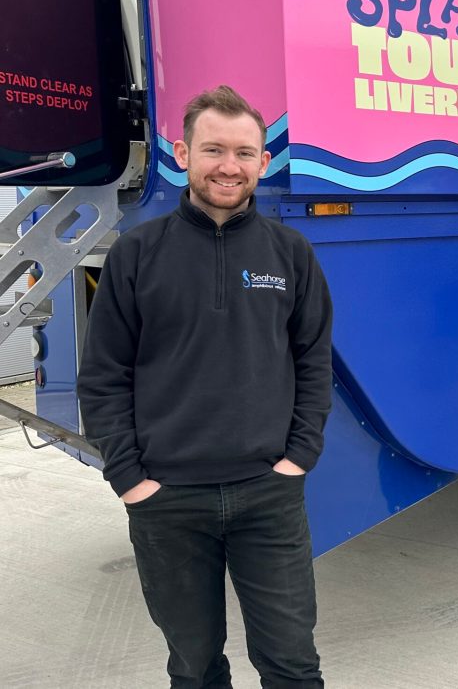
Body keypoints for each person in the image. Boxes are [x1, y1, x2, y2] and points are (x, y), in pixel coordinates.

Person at [77, 85, 333, 688]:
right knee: (194, 669)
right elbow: (104, 374)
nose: (229, 166)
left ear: (263, 162)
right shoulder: (136, 253)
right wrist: (131, 480)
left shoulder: (290, 253)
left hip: (267, 496)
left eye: (244, 153)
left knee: (292, 665)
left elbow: (313, 361)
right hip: (167, 501)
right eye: (213, 149)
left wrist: (298, 458)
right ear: (182, 153)